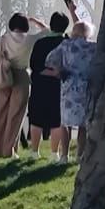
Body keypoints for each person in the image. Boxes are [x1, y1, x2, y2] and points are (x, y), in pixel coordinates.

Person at [0, 13, 48, 158]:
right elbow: (47, 31)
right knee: (15, 116)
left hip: (4, 75)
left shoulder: (3, 39)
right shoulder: (30, 39)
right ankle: (9, 150)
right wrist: (35, 21)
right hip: (22, 76)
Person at [44, 21, 97, 160]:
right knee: (83, 125)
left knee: (65, 123)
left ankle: (64, 155)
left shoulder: (66, 45)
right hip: (86, 88)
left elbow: (50, 59)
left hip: (68, 86)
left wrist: (60, 71)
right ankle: (80, 154)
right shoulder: (93, 47)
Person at [29, 11, 71, 159]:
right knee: (57, 120)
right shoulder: (67, 44)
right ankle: (54, 153)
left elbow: (34, 65)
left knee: (36, 118)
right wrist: (57, 74)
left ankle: (34, 151)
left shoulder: (40, 43)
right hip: (59, 87)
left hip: (40, 86)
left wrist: (47, 72)